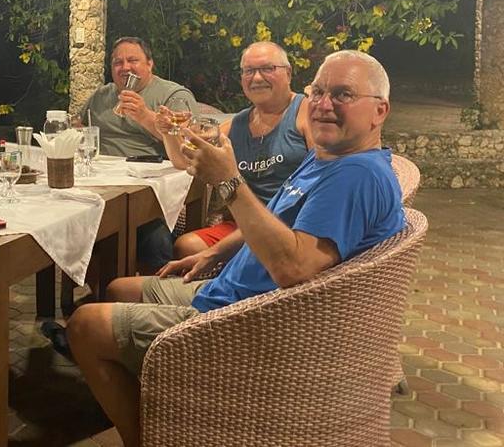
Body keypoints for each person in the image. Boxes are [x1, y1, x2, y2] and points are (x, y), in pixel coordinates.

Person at [66, 50, 405, 447]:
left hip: (247, 322)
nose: (324, 104)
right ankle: (169, 400)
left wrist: (229, 181)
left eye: (343, 94)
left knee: (84, 325)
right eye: (318, 92)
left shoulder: (354, 175)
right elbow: (277, 213)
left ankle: (145, 437)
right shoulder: (328, 157)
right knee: (120, 288)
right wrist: (215, 253)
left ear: (379, 111)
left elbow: (293, 268)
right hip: (232, 287)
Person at [156, 41, 314, 262]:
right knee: (186, 246)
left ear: (288, 73)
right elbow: (185, 161)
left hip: (291, 224)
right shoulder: (238, 123)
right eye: (248, 71)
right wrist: (169, 132)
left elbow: (323, 176)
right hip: (245, 222)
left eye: (267, 68)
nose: (256, 78)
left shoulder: (307, 113)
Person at [78, 36, 196, 159]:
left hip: (148, 168)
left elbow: (189, 147)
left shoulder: (174, 95)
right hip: (99, 166)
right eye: (118, 62)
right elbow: (79, 127)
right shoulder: (101, 95)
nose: (125, 67)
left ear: (149, 64)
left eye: (133, 60)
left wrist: (144, 116)